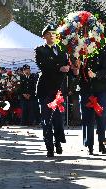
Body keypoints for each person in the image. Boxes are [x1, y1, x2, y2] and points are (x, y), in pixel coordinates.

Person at [35, 24, 70, 157]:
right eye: (49, 34)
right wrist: (59, 67)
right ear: (44, 36)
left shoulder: (62, 51)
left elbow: (67, 66)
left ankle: (58, 142)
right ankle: (49, 147)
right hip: (46, 90)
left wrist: (72, 68)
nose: (52, 36)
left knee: (58, 119)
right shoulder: (40, 50)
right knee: (47, 119)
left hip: (59, 91)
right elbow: (43, 66)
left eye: (54, 33)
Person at [72, 47, 106, 155]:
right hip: (85, 89)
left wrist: (95, 74)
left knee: (101, 116)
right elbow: (75, 74)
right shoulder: (79, 52)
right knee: (87, 117)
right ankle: (89, 144)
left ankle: (101, 143)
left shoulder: (103, 50)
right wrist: (77, 68)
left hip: (100, 89)